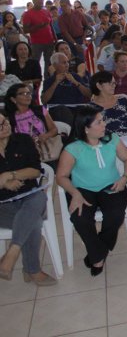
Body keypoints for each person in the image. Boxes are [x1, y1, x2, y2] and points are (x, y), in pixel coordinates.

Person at [56, 104, 127, 276]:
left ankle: (96, 253)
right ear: (85, 128)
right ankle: (98, 255)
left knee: (115, 215)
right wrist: (75, 193)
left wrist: (124, 178)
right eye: (98, 122)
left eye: (102, 120)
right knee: (81, 218)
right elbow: (61, 176)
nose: (104, 125)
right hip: (83, 189)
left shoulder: (111, 138)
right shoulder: (73, 148)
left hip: (112, 185)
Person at [0, 113, 56, 286]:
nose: (6, 125)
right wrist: (3, 184)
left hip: (29, 196)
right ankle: (32, 270)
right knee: (34, 220)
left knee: (37, 198)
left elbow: (36, 170)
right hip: (3, 206)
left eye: (5, 120)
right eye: (1, 125)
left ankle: (12, 251)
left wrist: (9, 174)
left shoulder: (23, 140)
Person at [90, 71, 127, 141]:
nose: (114, 85)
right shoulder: (91, 109)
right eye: (110, 83)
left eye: (114, 83)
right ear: (99, 86)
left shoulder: (123, 101)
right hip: (106, 146)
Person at [4, 83, 58, 149]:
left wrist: (46, 136)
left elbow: (54, 129)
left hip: (46, 149)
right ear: (13, 99)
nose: (28, 96)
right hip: (24, 152)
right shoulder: (10, 119)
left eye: (28, 93)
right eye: (23, 94)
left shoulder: (40, 110)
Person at [21, 0, 56, 76]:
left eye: (42, 2)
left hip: (49, 41)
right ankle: (36, 82)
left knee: (49, 63)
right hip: (36, 43)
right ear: (33, 1)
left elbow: (50, 26)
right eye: (38, 2)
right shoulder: (28, 14)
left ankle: (47, 81)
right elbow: (25, 30)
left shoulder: (46, 12)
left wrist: (55, 37)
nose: (40, 3)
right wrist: (39, 26)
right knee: (35, 63)